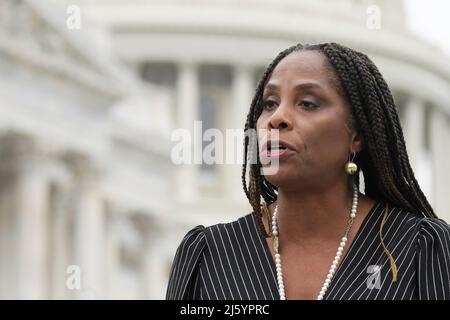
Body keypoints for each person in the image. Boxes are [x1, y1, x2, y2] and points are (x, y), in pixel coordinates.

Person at [165, 42, 450, 300]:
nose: (277, 118)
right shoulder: (208, 255)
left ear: (357, 135)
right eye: (270, 104)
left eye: (307, 103)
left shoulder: (417, 251)